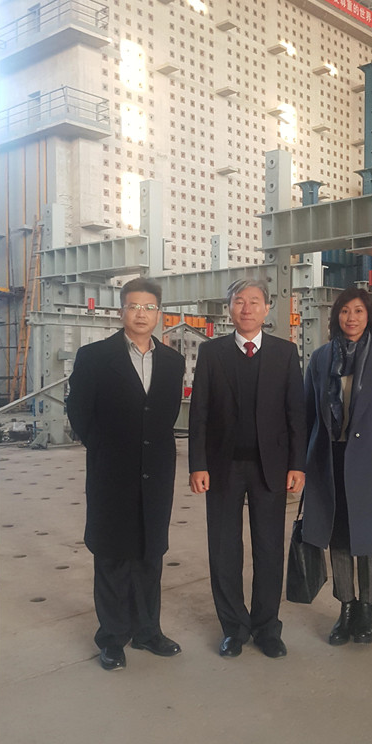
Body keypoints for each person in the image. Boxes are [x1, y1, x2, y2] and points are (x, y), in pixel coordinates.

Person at [67, 276, 185, 671]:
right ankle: (113, 637)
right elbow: (79, 412)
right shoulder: (94, 357)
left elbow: (165, 415)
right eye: (134, 306)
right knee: (113, 554)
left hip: (156, 472)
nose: (141, 313)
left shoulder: (173, 362)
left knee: (150, 553)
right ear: (121, 311)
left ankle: (148, 631)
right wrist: (104, 449)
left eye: (149, 307)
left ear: (159, 313)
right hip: (111, 472)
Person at [189, 279, 306, 659]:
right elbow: (199, 413)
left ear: (267, 308)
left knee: (269, 549)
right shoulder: (211, 353)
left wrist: (297, 464)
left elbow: (296, 413)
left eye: (254, 301)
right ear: (229, 309)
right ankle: (234, 629)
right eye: (239, 301)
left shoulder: (285, 353)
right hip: (222, 466)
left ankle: (267, 628)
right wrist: (197, 464)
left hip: (270, 468)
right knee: (224, 549)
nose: (247, 308)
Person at [302, 287, 372, 645]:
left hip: (370, 459)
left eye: (359, 311)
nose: (351, 318)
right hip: (329, 458)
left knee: (368, 536)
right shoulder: (320, 359)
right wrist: (302, 462)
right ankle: (346, 607)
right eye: (345, 311)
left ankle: (367, 611)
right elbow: (307, 411)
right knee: (338, 534)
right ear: (336, 316)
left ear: (369, 317)